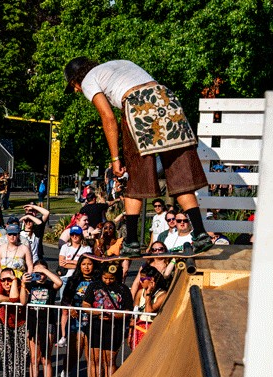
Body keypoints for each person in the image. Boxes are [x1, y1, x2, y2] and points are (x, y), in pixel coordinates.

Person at [64, 57, 213, 255]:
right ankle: (201, 234)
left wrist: (115, 159)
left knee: (136, 174)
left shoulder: (88, 80)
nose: (76, 90)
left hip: (138, 106)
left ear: (76, 79)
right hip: (167, 100)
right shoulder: (120, 63)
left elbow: (108, 118)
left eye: (74, 86)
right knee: (179, 173)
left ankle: (132, 241)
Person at [81, 262, 133, 377]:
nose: (108, 281)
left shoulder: (123, 289)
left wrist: (114, 315)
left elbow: (128, 311)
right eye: (105, 278)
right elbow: (85, 305)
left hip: (114, 328)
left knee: (109, 361)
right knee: (95, 359)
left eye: (111, 278)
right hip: (95, 326)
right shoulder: (94, 286)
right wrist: (98, 312)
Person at [20, 261, 62, 377]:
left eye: (43, 274)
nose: (40, 276)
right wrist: (24, 284)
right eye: (38, 273)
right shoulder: (30, 285)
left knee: (46, 358)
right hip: (32, 324)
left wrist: (44, 271)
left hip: (48, 323)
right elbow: (23, 302)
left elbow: (59, 283)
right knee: (33, 358)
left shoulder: (50, 286)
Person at [0, 268, 27, 377]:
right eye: (3, 280)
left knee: (20, 354)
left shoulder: (21, 285)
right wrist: (10, 301)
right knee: (6, 352)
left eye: (9, 280)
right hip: (4, 321)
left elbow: (16, 297)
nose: (6, 283)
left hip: (21, 322)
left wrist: (15, 282)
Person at [131, 265, 167, 350]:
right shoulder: (140, 292)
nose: (140, 281)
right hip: (138, 328)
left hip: (152, 330)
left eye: (143, 279)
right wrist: (131, 331)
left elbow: (148, 311)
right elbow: (134, 313)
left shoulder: (162, 295)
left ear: (151, 280)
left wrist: (148, 294)